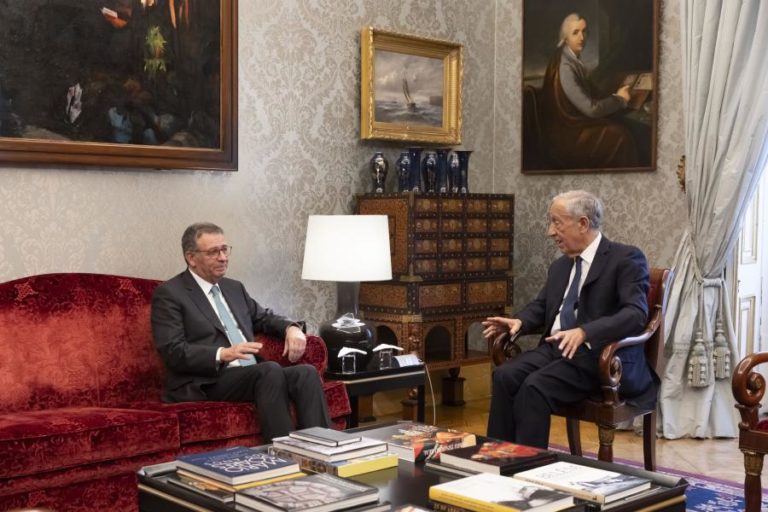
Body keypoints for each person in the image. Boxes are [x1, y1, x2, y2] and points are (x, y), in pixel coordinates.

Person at [483, 190, 657, 449]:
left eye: (556, 222)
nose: (550, 232)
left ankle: (527, 470)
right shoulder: (561, 266)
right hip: (557, 350)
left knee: (534, 387)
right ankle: (497, 459)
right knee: (504, 375)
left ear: (583, 223)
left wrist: (585, 332)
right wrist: (520, 322)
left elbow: (635, 314)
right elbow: (542, 306)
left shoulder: (625, 259)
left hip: (600, 358)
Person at [151, 222, 331, 442]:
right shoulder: (170, 294)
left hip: (249, 374)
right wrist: (222, 354)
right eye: (213, 252)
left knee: (306, 373)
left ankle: (322, 451)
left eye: (225, 249)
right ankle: (284, 457)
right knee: (268, 370)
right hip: (208, 380)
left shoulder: (233, 288)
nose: (223, 257)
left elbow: (264, 317)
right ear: (191, 258)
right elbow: (173, 351)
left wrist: (291, 328)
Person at [538, 13, 639, 169]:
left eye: (584, 31)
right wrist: (619, 100)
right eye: (575, 32)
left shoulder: (571, 58)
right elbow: (591, 110)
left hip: (572, 127)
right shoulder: (566, 67)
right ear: (565, 38)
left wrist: (614, 94)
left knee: (620, 125)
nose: (582, 37)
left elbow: (589, 93)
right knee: (621, 137)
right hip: (567, 137)